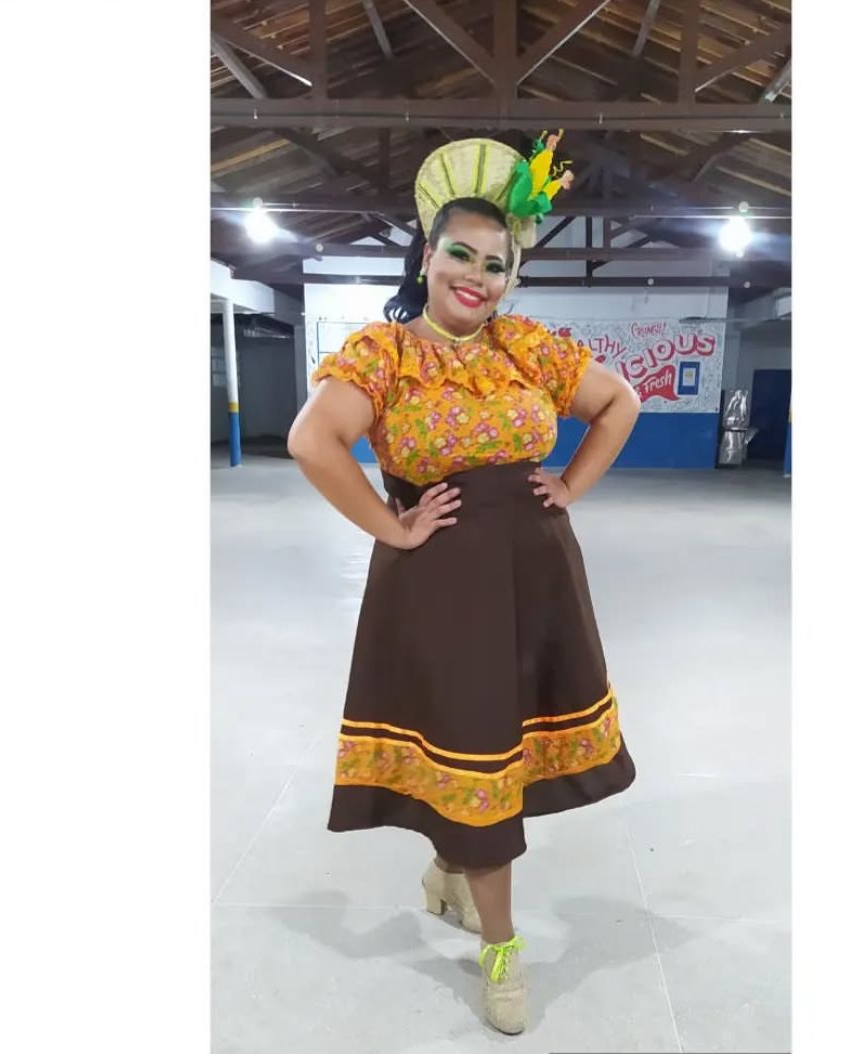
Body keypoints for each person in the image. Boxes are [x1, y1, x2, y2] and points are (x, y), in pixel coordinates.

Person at [287, 135, 640, 1035]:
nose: (477, 277)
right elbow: (313, 441)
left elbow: (618, 404)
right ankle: (502, 950)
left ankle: (449, 871)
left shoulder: (527, 347)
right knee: (474, 751)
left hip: (538, 577)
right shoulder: (385, 353)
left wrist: (570, 485)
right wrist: (392, 525)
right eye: (461, 254)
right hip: (443, 587)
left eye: (496, 264)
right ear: (426, 255)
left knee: (494, 750)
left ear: (512, 279)